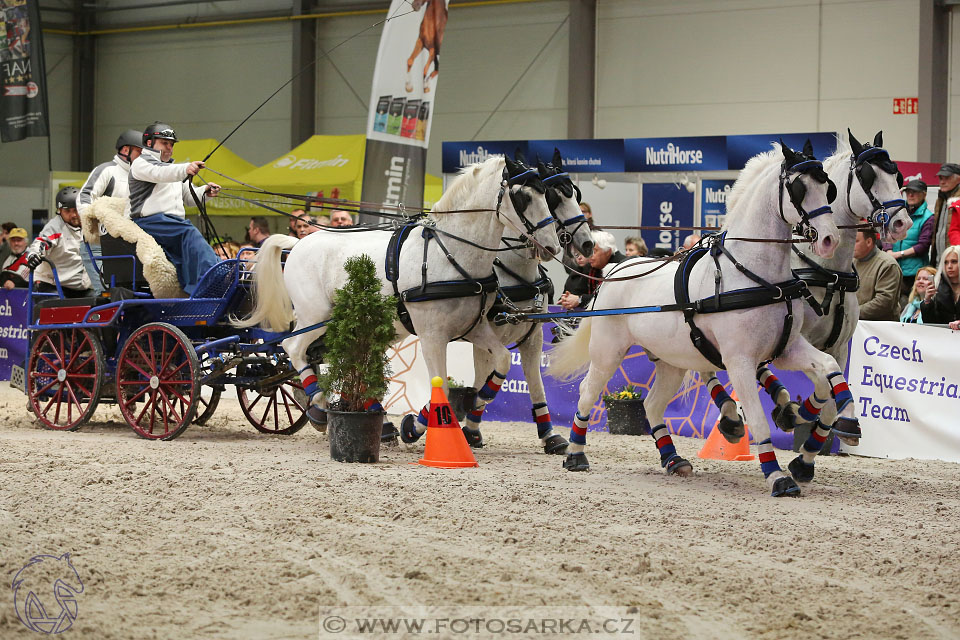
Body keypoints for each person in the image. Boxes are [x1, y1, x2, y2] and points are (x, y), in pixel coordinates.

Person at [128, 122, 221, 295]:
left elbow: (188, 197)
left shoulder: (172, 169)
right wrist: (186, 168)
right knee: (188, 231)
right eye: (164, 143)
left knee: (186, 234)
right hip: (149, 222)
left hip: (172, 225)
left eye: (171, 144)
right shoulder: (141, 164)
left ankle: (199, 288)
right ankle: (212, 276)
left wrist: (205, 192)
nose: (169, 148)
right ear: (149, 143)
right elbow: (160, 173)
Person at [78, 129, 145, 295]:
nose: (143, 155)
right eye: (139, 151)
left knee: (124, 292)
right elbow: (84, 196)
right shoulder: (107, 170)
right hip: (98, 244)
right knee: (106, 292)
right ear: (125, 150)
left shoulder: (139, 176)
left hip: (123, 245)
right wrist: (92, 226)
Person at [25, 187, 93, 298]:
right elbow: (41, 243)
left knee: (101, 303)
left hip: (81, 288)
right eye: (67, 211)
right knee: (60, 310)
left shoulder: (91, 225)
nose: (73, 215)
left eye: (76, 209)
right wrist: (33, 255)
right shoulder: (54, 227)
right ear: (59, 211)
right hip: (52, 285)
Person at [884, 179, 934, 303]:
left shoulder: (928, 217)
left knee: (912, 304)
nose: (910, 195)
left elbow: (923, 246)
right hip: (893, 269)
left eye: (915, 192)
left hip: (913, 273)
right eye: (908, 192)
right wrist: (888, 250)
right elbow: (886, 231)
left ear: (924, 194)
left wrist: (897, 255)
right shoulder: (898, 213)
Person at [558, 230, 626, 310]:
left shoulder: (622, 267)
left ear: (608, 252)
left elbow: (610, 298)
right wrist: (568, 298)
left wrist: (580, 300)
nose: (589, 255)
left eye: (594, 251)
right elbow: (579, 290)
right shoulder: (592, 265)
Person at [853, 227, 902, 321]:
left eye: (855, 241)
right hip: (856, 325)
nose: (850, 245)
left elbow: (884, 302)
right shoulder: (851, 263)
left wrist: (852, 313)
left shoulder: (887, 264)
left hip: (880, 329)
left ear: (869, 242)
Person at [919, 245, 960, 328]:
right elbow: (930, 323)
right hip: (944, 337)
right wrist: (927, 301)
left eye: (954, 261)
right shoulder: (938, 287)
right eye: (945, 262)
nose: (949, 266)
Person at [930, 163, 960, 267]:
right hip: (940, 260)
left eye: (946, 178)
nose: (942, 181)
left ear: (958, 179)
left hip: (955, 261)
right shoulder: (940, 199)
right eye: (940, 178)